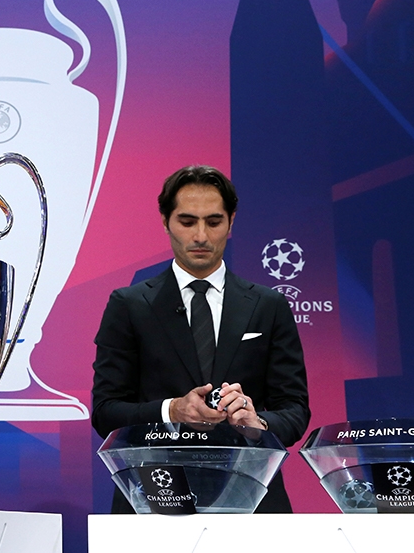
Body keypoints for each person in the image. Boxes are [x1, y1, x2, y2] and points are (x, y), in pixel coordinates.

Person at [91, 165, 310, 513]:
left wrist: (258, 424)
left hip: (250, 497)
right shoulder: (129, 305)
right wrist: (172, 410)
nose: (201, 236)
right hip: (156, 495)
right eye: (187, 221)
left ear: (231, 222)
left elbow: (296, 409)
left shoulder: (269, 305)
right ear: (165, 221)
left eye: (213, 221)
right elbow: (105, 413)